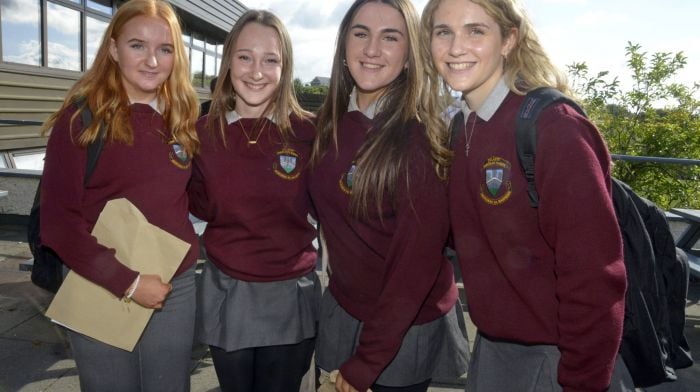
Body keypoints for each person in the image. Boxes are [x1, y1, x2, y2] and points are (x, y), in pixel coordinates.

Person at [420, 0, 634, 390]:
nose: (455, 47)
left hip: (559, 361)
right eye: (443, 31)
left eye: (475, 30)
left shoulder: (553, 127)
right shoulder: (462, 128)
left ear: (509, 39)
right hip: (493, 352)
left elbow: (594, 274)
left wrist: (582, 380)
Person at [39, 0, 200, 390]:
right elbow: (58, 224)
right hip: (100, 282)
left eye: (165, 49)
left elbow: (192, 199)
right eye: (137, 46)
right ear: (113, 49)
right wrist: (128, 282)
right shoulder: (81, 120)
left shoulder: (184, 119)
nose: (152, 61)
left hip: (173, 287)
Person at [309, 1, 469, 391]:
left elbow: (415, 265)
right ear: (343, 44)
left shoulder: (419, 137)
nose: (371, 49)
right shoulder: (327, 126)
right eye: (361, 33)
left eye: (390, 37)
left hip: (402, 327)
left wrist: (369, 358)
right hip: (343, 310)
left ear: (411, 54)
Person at [187, 10, 319, 392]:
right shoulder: (200, 134)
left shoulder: (309, 133)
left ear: (285, 67)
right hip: (228, 291)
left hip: (290, 295)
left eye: (270, 59)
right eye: (245, 57)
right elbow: (196, 204)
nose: (256, 71)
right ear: (228, 61)